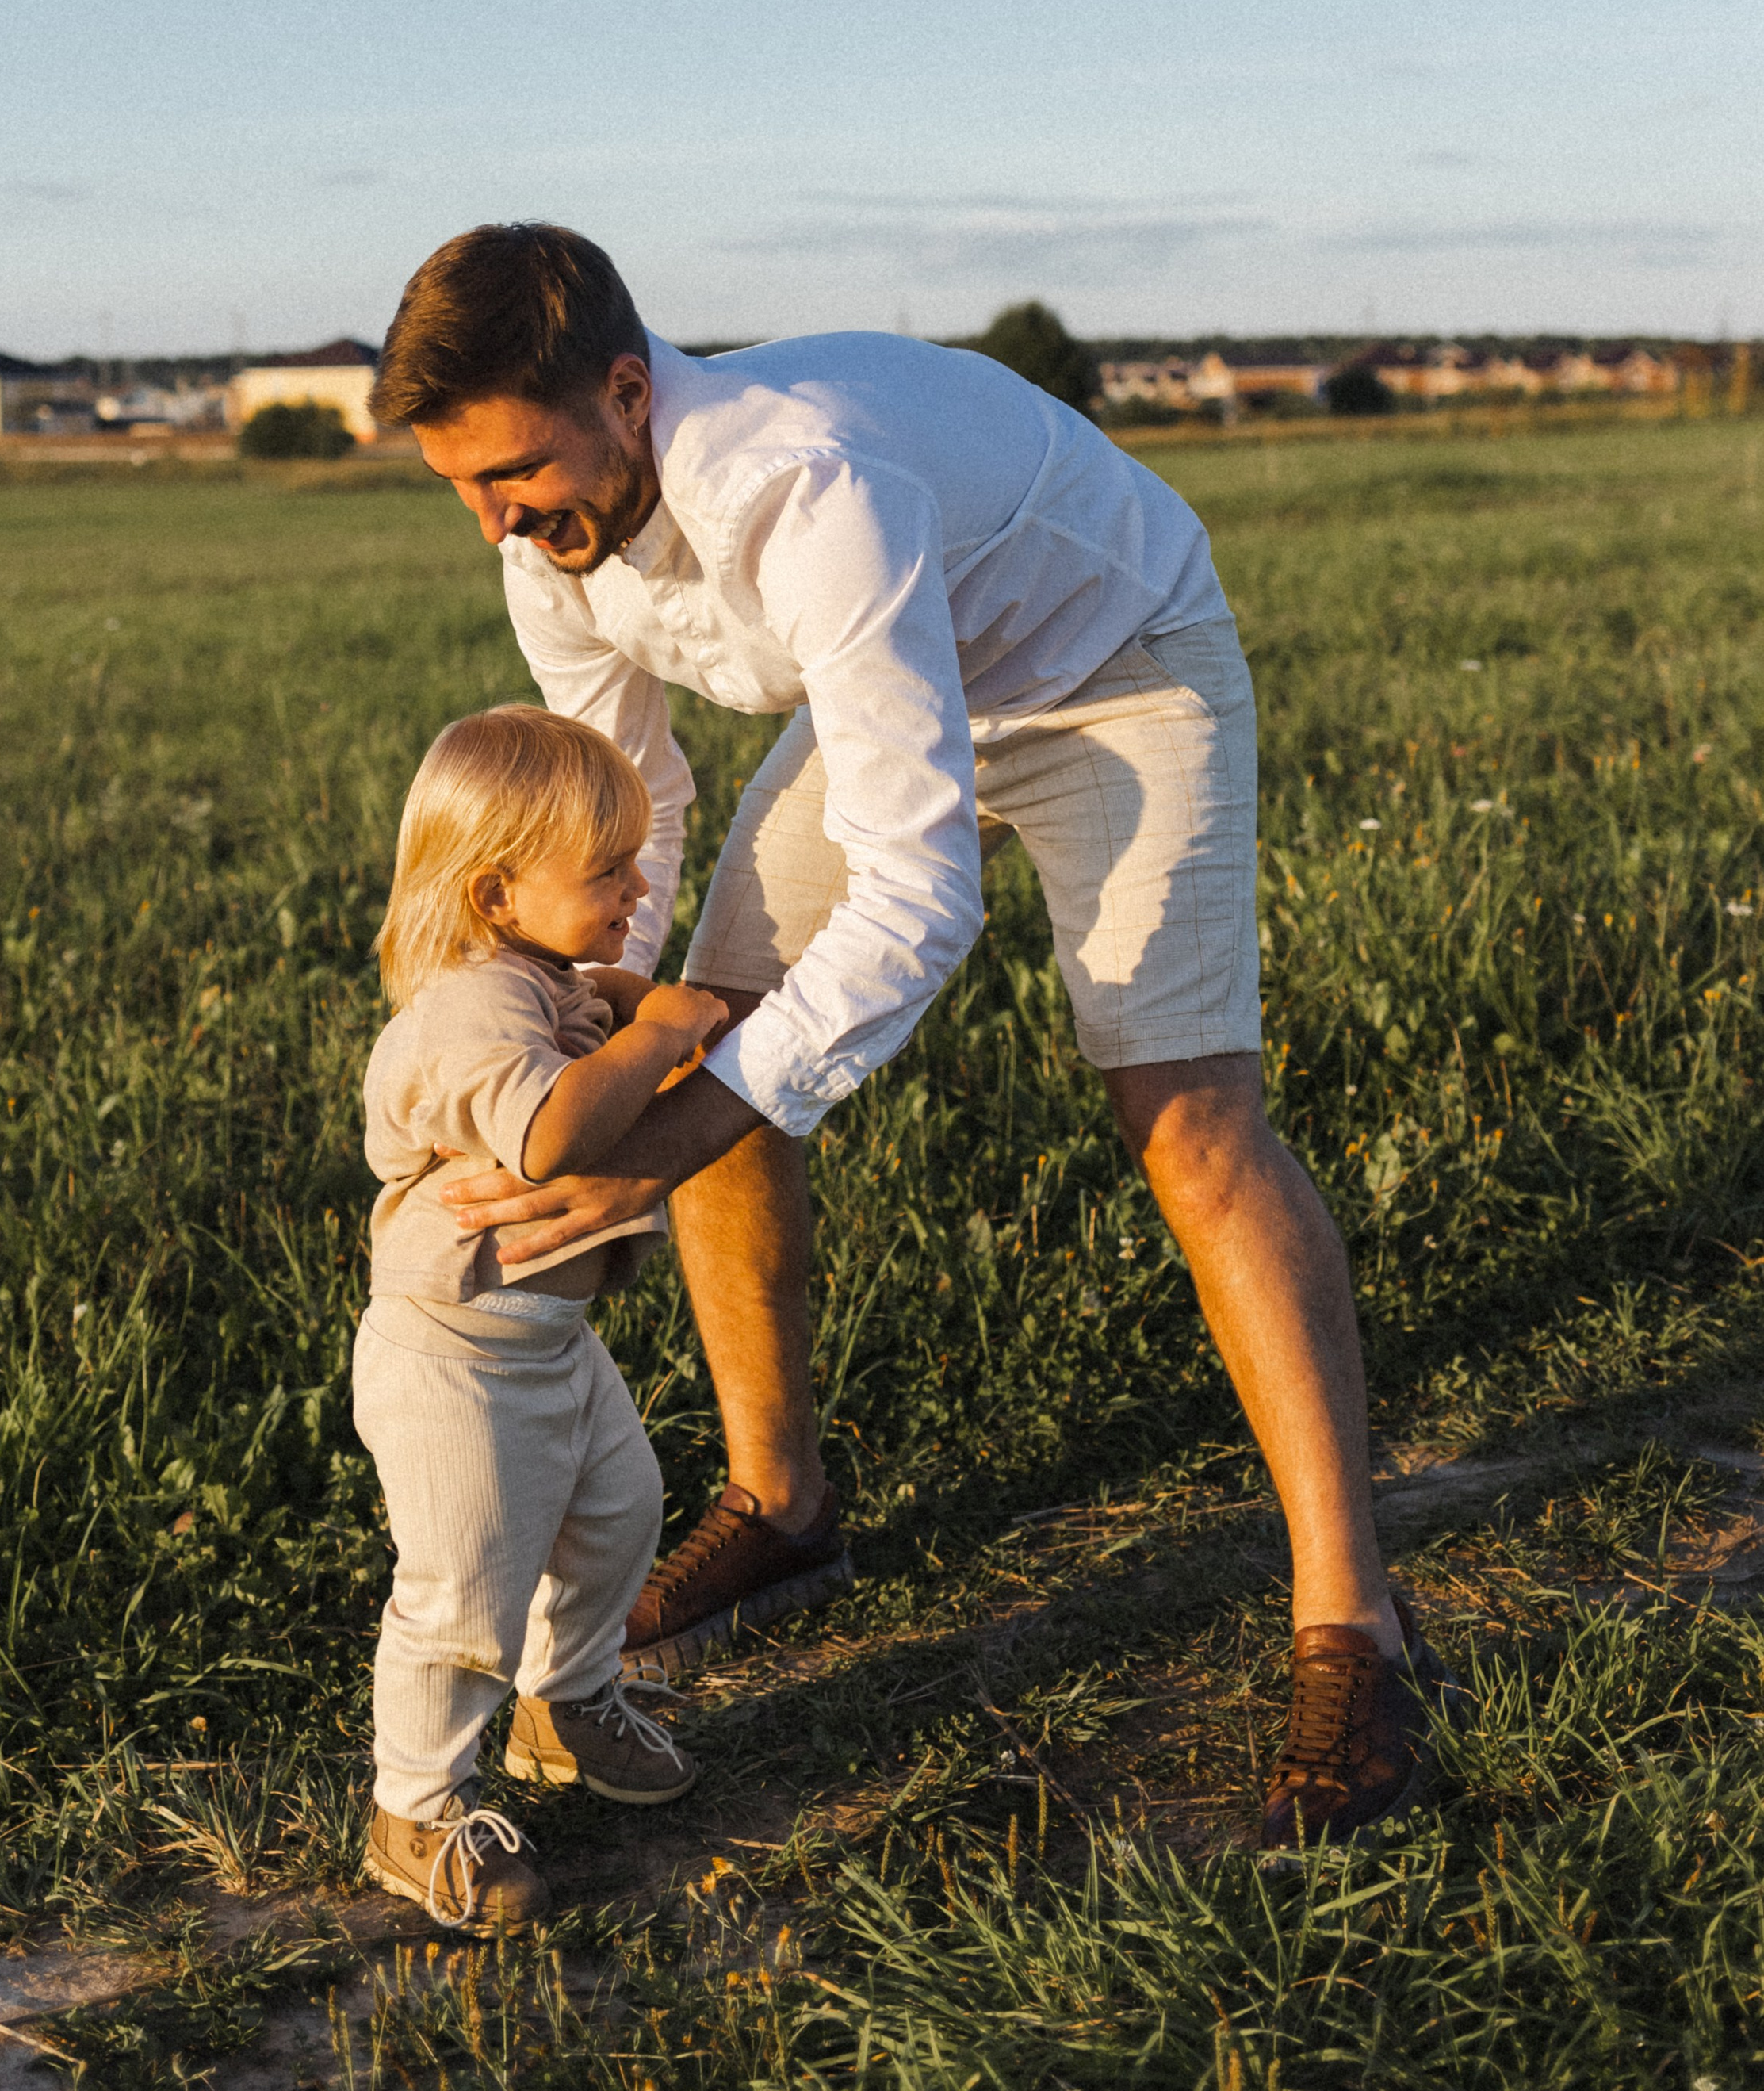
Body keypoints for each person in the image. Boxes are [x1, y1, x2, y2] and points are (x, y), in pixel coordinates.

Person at [375, 225, 1456, 1848]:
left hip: (1115, 671)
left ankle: (1352, 1628)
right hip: (906, 680)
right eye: (463, 487)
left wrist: (664, 1144)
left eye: (517, 470)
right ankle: (781, 1502)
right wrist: (605, 1047)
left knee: (1182, 1122)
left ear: (621, 391)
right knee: (715, 1043)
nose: (499, 521)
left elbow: (915, 899)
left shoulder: (808, 488)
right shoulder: (547, 533)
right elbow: (623, 823)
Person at [354, 703, 725, 1932]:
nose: (637, 887)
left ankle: (561, 1705)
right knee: (461, 1594)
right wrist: (665, 1027)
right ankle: (414, 1811)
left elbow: (590, 1019)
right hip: (453, 1362)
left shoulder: (536, 976)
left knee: (623, 1515)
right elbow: (558, 1129)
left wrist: (619, 998)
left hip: (550, 1348)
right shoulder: (468, 1012)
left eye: (634, 860)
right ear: (497, 891)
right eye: (607, 869)